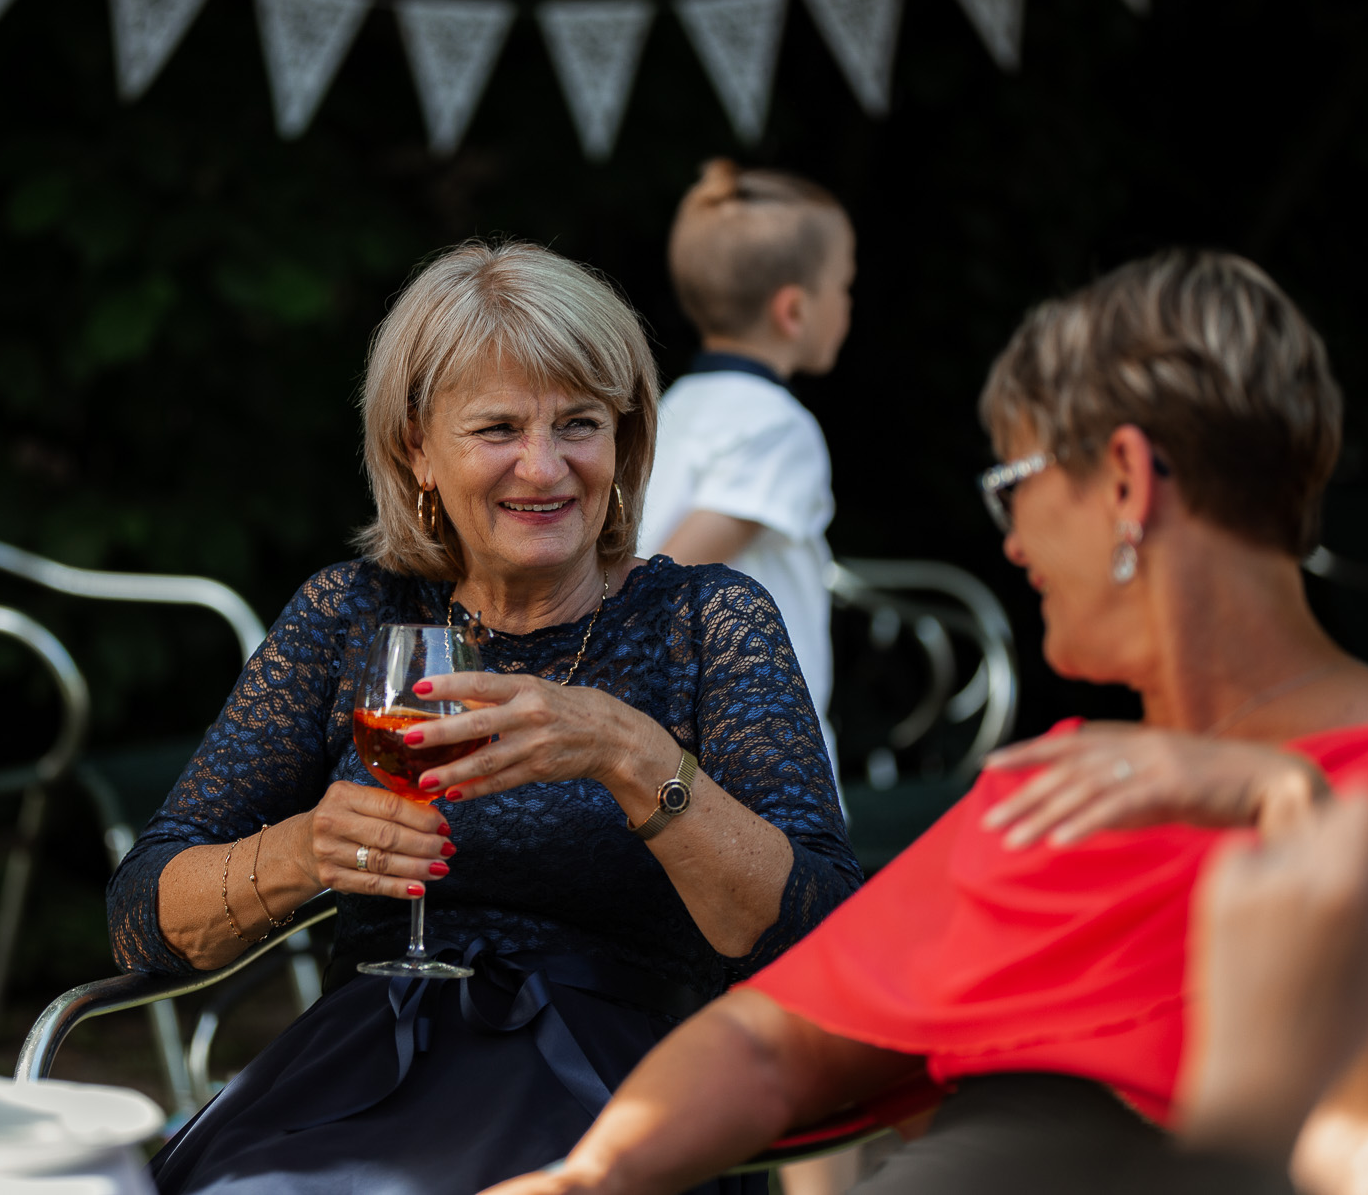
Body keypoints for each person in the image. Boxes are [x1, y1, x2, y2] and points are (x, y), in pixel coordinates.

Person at [479, 249, 1368, 1195]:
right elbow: (769, 1039)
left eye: (1012, 483)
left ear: (1127, 483)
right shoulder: (1057, 781)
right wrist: (595, 1171)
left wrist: (1288, 815)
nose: (1006, 541)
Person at [108, 240, 861, 1195]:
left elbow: (826, 937)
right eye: (498, 426)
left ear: (625, 443)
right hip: (360, 1072)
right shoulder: (353, 614)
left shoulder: (705, 621)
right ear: (416, 447)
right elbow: (140, 914)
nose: (543, 467)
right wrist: (306, 851)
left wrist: (633, 754)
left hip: (617, 1096)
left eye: (579, 423)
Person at [638, 160, 854, 777]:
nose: (847, 302)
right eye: (843, 285)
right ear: (794, 311)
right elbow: (671, 572)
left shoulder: (670, 409)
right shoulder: (779, 427)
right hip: (765, 745)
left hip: (685, 738)